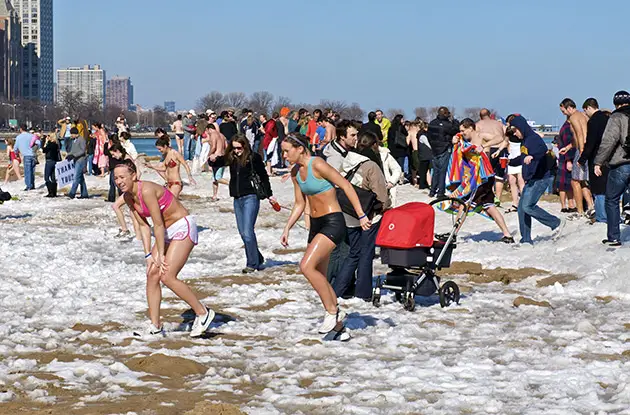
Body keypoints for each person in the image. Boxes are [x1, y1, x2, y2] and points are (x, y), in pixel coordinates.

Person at [280, 133, 370, 340]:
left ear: (300, 149)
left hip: (333, 222)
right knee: (320, 275)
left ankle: (332, 312)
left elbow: (346, 186)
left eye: (287, 151)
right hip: (316, 224)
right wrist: (287, 228)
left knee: (306, 267)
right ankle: (338, 325)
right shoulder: (295, 172)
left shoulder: (317, 164)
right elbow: (300, 203)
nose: (284, 155)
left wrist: (361, 215)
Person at [113, 160, 214, 337]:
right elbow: (144, 226)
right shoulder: (129, 197)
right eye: (115, 178)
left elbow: (157, 225)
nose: (119, 181)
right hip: (166, 232)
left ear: (134, 176)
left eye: (122, 177)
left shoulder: (146, 190)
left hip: (182, 226)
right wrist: (148, 255)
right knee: (152, 273)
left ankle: (203, 313)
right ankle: (155, 326)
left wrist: (159, 253)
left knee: (167, 275)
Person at [333, 131, 392, 300]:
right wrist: (385, 207)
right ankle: (363, 292)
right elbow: (381, 195)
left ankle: (338, 290)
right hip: (368, 215)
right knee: (366, 254)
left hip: (348, 213)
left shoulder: (347, 162)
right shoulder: (371, 166)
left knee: (354, 253)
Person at [448, 119, 514, 242]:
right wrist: (454, 141)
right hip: (474, 178)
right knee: (489, 206)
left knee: (464, 203)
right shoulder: (464, 141)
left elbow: (500, 138)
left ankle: (453, 235)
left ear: (470, 128)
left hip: (483, 178)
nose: (461, 133)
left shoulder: (481, 136)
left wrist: (484, 146)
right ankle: (508, 235)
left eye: (463, 130)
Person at [215, 134, 272, 273]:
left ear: (245, 146)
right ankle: (257, 256)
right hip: (237, 198)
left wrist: (269, 194)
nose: (236, 151)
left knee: (247, 232)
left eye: (239, 148)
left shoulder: (253, 158)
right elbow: (218, 162)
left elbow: (263, 176)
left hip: (251, 197)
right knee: (243, 233)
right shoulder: (232, 157)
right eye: (234, 148)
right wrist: (212, 159)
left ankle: (252, 264)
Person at [509, 115, 564, 244]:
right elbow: (523, 156)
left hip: (541, 177)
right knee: (522, 209)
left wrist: (532, 157)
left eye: (516, 130)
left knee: (528, 206)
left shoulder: (533, 139)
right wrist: (511, 161)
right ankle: (526, 239)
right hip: (532, 178)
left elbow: (542, 150)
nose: (515, 134)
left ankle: (556, 223)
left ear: (521, 128)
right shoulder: (524, 140)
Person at [594, 90, 630, 247]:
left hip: (621, 163)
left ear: (616, 104)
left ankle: (614, 236)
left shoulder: (616, 117)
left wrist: (598, 162)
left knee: (612, 199)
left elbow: (608, 141)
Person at [559, 98, 595, 220]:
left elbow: (580, 134)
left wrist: (581, 151)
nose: (563, 113)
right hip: (586, 149)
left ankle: (580, 211)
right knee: (583, 181)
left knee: (575, 181)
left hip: (582, 150)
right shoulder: (583, 116)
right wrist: (569, 147)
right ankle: (590, 206)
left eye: (563, 111)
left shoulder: (574, 117)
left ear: (568, 107)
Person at [580, 98, 610, 223]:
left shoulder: (593, 121)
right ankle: (609, 216)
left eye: (585, 111)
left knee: (598, 189)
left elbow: (590, 142)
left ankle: (601, 217)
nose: (585, 114)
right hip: (608, 156)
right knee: (607, 188)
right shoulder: (607, 118)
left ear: (589, 108)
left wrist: (583, 158)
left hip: (596, 157)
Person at [145, 133, 196, 199]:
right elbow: (163, 168)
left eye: (160, 149)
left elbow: (185, 164)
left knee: (172, 202)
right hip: (169, 184)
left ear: (165, 146)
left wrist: (190, 176)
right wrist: (151, 166)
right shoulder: (165, 155)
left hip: (176, 183)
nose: (159, 151)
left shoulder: (175, 153)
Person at [109, 143, 140, 240]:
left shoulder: (127, 160)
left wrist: (132, 186)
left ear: (118, 151)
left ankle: (133, 234)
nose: (113, 157)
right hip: (130, 189)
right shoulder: (125, 159)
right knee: (129, 210)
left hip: (132, 190)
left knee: (133, 212)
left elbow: (138, 173)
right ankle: (127, 230)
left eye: (113, 154)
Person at [427, 107, 460, 198]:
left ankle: (432, 191)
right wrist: (455, 122)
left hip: (434, 149)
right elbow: (455, 130)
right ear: (445, 114)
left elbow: (428, 136)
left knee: (436, 171)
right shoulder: (446, 124)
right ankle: (440, 192)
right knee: (442, 171)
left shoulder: (432, 123)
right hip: (444, 149)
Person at [477, 108, 508, 202]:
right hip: (501, 149)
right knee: (499, 176)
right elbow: (507, 135)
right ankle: (498, 198)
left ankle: (488, 196)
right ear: (490, 115)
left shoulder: (478, 125)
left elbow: (477, 139)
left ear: (480, 116)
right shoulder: (499, 124)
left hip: (488, 150)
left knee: (487, 175)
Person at [555, 119, 577, 213]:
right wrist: (568, 160)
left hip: (563, 157)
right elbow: (567, 143)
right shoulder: (568, 128)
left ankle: (565, 206)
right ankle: (570, 205)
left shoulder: (564, 127)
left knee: (564, 184)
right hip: (567, 158)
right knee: (567, 183)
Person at [505, 127, 525, 213]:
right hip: (511, 160)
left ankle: (524, 203)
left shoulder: (521, 134)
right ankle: (515, 204)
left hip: (519, 160)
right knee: (512, 182)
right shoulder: (508, 135)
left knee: (521, 181)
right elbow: (506, 143)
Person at [65, 127, 89, 199]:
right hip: (75, 160)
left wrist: (74, 155)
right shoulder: (73, 140)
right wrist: (69, 155)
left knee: (76, 177)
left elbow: (82, 151)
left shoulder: (81, 139)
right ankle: (84, 194)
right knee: (80, 178)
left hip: (81, 161)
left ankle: (72, 193)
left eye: (72, 134)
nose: (71, 135)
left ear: (75, 133)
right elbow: (73, 150)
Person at [14, 124, 39, 191]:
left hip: (26, 155)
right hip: (33, 155)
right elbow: (38, 143)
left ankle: (28, 186)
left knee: (27, 171)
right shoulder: (31, 136)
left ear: (21, 129)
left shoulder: (18, 137)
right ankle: (32, 185)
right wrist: (34, 148)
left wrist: (16, 153)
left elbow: (15, 148)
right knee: (32, 171)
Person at [387, 114, 409, 181]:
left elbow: (389, 138)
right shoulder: (401, 127)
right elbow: (406, 134)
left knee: (393, 165)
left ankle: (393, 178)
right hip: (400, 148)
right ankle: (400, 179)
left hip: (392, 148)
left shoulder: (391, 128)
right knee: (401, 165)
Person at [42, 132, 61, 197]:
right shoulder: (56, 144)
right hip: (54, 161)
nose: (47, 137)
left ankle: (50, 192)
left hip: (49, 161)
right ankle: (54, 192)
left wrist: (46, 142)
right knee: (53, 177)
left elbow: (44, 150)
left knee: (46, 177)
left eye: (48, 136)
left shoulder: (50, 144)